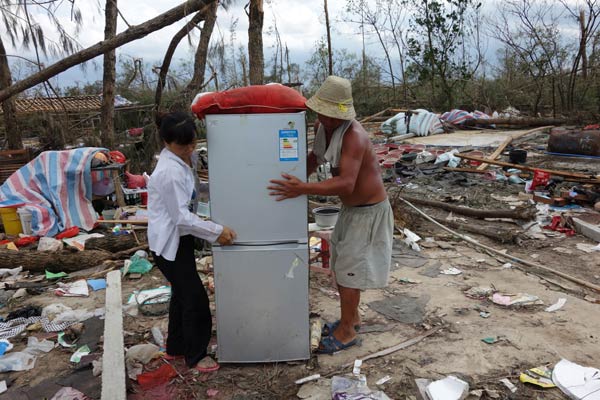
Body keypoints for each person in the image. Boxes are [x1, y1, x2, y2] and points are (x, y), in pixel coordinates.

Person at [268, 75, 393, 354]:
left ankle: (347, 332)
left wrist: (302, 188)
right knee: (341, 265)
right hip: (351, 209)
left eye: (332, 116)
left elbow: (346, 183)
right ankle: (353, 318)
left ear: (342, 113)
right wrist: (294, 174)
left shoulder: (354, 137)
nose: (327, 120)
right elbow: (316, 157)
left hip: (369, 212)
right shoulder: (324, 126)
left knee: (350, 271)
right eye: (323, 114)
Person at [148, 112, 237, 371]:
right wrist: (216, 230)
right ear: (166, 142)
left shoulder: (182, 161)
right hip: (170, 244)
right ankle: (196, 356)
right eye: (182, 145)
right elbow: (181, 218)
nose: (188, 149)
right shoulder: (168, 172)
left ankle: (176, 347)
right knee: (195, 299)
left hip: (178, 241)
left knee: (182, 296)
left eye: (191, 142)